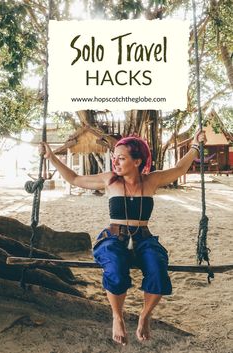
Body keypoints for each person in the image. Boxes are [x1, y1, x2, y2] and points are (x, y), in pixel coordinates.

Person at [39, 130, 206, 346]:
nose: (115, 162)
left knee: (158, 269)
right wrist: (51, 157)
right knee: (116, 269)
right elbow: (74, 178)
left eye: (121, 158)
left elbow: (180, 168)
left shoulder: (151, 180)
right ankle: (117, 317)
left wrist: (194, 145)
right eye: (114, 157)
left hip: (144, 239)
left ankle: (145, 315)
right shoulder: (110, 181)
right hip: (114, 239)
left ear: (137, 161)